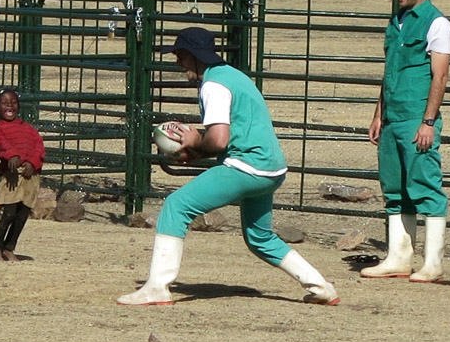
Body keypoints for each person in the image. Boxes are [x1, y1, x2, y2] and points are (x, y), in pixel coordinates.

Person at [117, 27, 338, 306]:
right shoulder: (233, 76)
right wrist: (198, 149)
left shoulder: (213, 85)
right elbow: (229, 135)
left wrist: (196, 140)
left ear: (195, 54)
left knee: (176, 206)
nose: (177, 61)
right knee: (259, 238)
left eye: (180, 54)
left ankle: (157, 288)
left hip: (246, 167)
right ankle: (322, 287)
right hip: (271, 170)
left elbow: (219, 140)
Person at [362, 0, 450, 282]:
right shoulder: (395, 21)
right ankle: (399, 258)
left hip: (416, 117)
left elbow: (440, 76)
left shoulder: (436, 23)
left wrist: (428, 121)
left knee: (425, 185)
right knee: (394, 187)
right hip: (393, 118)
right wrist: (379, 114)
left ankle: (433, 263)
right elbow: (389, 71)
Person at [0, 88, 45, 261]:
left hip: (30, 175)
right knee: (10, 213)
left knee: (22, 214)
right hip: (12, 175)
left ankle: (9, 247)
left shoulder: (29, 129)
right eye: (4, 103)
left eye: (13, 102)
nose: (10, 106)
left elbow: (39, 147)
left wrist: (32, 162)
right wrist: (12, 155)